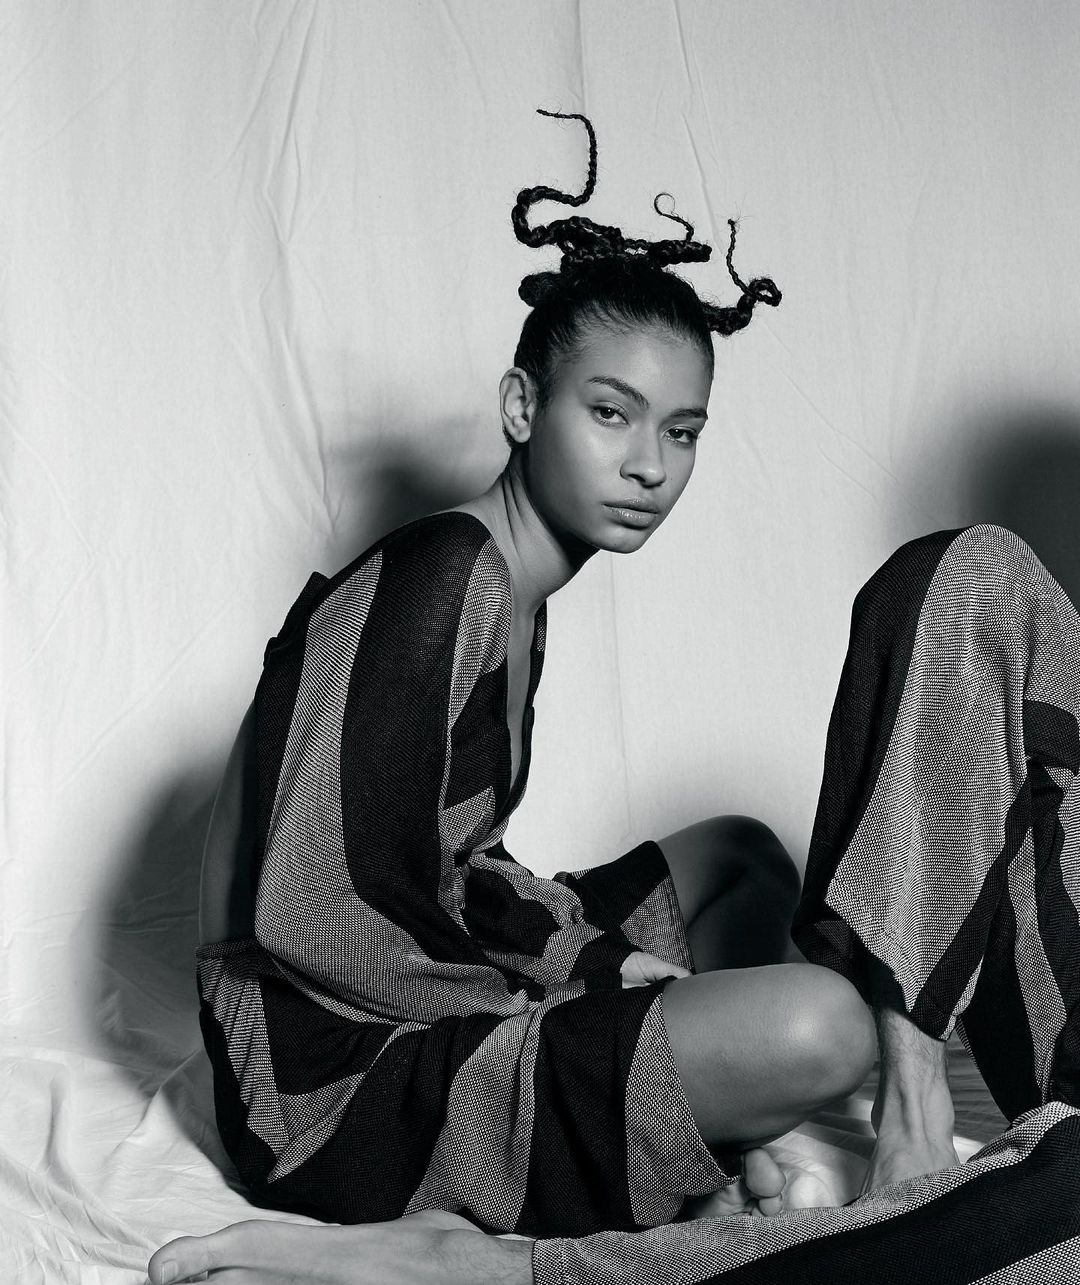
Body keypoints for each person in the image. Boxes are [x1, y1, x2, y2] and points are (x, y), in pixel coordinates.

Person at [149, 112, 1080, 1285]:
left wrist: (596, 961)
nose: (650, 463)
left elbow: (438, 863)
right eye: (610, 412)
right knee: (826, 1027)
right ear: (521, 406)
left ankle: (723, 1124)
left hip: (386, 1006)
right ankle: (718, 1132)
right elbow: (325, 912)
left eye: (681, 431)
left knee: (741, 856)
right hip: (323, 1081)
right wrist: (589, 971)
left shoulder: (512, 592)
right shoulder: (444, 575)